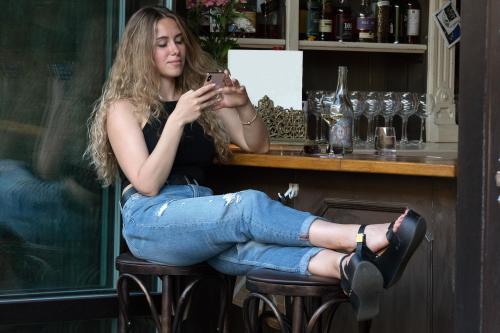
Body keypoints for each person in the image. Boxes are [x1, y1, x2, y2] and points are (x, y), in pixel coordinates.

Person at [86, 5, 426, 321]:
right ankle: (360, 237)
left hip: (200, 210)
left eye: (178, 41)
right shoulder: (124, 107)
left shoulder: (199, 94)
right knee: (247, 205)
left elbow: (256, 143)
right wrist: (177, 120)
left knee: (254, 250)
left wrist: (243, 104)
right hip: (151, 220)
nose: (174, 50)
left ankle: (350, 266)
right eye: (162, 44)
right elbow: (147, 183)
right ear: (141, 53)